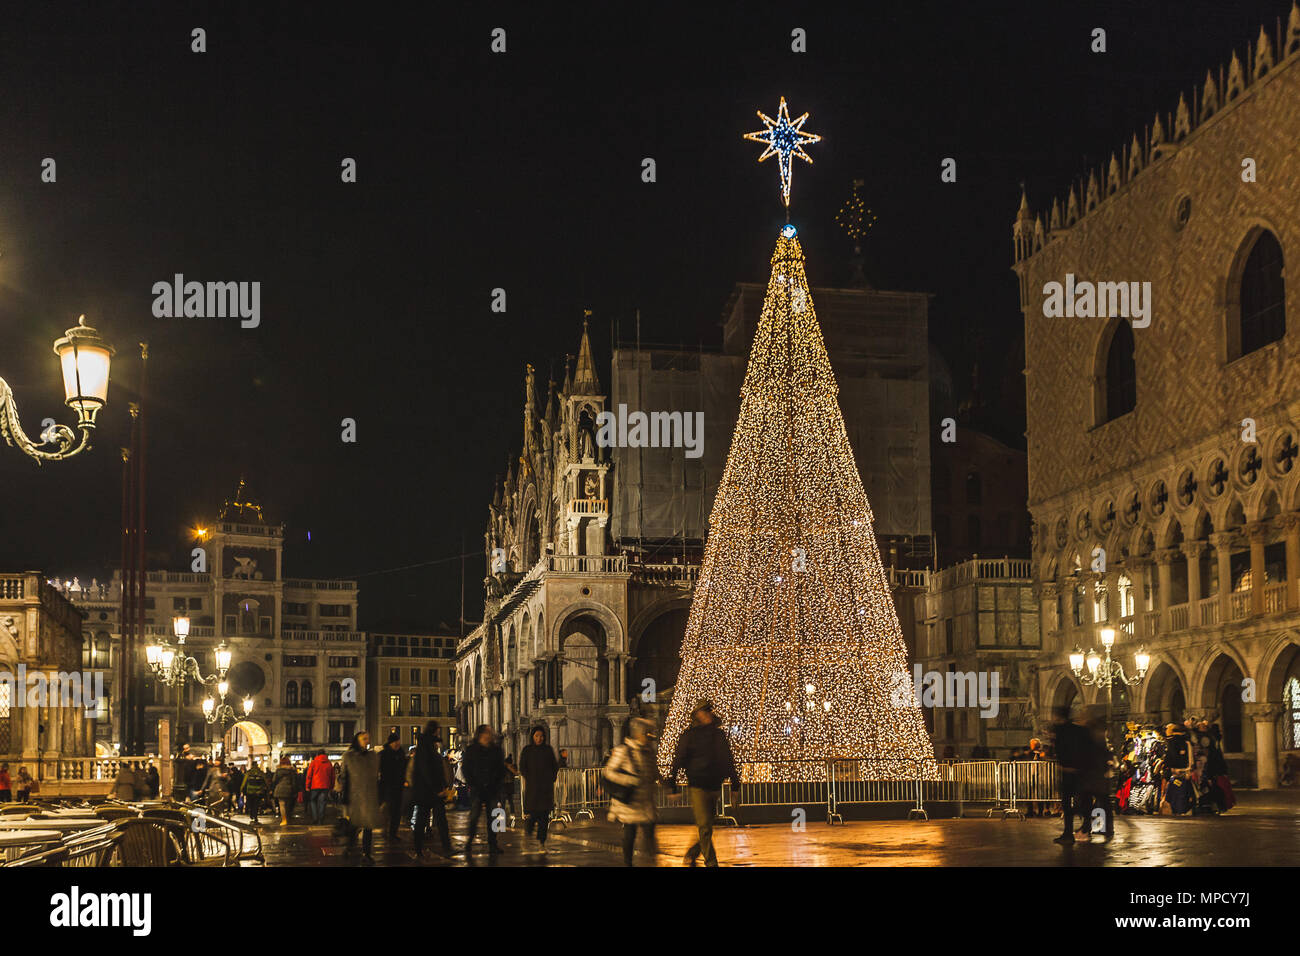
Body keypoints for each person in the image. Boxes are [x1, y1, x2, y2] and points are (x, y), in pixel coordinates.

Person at [668, 700, 740, 867]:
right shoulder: (689, 736)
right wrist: (672, 785)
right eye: (704, 711)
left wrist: (735, 785)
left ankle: (693, 852)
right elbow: (678, 760)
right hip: (698, 786)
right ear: (697, 715)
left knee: (708, 825)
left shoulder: (719, 735)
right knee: (704, 826)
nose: (707, 713)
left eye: (708, 710)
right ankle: (711, 862)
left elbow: (728, 760)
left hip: (714, 785)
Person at [605, 717, 659, 866]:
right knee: (630, 833)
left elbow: (654, 772)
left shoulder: (649, 752)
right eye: (647, 733)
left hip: (646, 802)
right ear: (638, 734)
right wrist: (629, 780)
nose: (650, 737)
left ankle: (652, 861)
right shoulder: (623, 751)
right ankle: (628, 862)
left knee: (650, 833)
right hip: (630, 802)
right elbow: (609, 772)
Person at [459, 724, 506, 857]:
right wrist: (472, 783)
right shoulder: (472, 750)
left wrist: (497, 782)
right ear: (480, 735)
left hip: (492, 789)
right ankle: (469, 841)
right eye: (486, 733)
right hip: (477, 789)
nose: (488, 736)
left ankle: (493, 843)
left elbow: (501, 769)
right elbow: (466, 768)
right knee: (474, 816)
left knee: (493, 818)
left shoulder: (496, 750)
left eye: (489, 733)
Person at [408, 720, 453, 858]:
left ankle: (442, 847)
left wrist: (443, 785)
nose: (439, 732)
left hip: (429, 790)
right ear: (434, 731)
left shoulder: (427, 746)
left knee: (436, 819)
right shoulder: (426, 748)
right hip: (428, 791)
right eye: (438, 730)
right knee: (427, 820)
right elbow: (426, 770)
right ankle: (420, 848)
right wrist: (437, 787)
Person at [337, 731, 382, 862]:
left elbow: (376, 775)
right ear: (357, 740)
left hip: (369, 796)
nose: (367, 741)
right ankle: (349, 847)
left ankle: (366, 853)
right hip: (354, 796)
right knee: (353, 825)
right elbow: (343, 776)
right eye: (364, 739)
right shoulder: (348, 756)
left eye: (368, 738)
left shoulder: (372, 756)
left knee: (368, 827)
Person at [1051, 706, 1090, 844]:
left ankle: (1069, 833)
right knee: (1082, 800)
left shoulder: (1060, 730)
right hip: (1080, 771)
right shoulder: (1080, 730)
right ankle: (1086, 825)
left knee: (1067, 804)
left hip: (1068, 771)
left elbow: (1059, 750)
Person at [518, 725, 558, 852]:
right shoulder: (527, 750)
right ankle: (528, 832)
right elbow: (522, 766)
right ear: (532, 737)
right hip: (533, 789)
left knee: (544, 818)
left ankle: (542, 842)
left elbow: (554, 766)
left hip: (545, 790)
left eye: (541, 736)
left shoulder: (548, 750)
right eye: (537, 736)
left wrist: (551, 778)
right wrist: (529, 777)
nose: (539, 739)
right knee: (533, 815)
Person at [379, 732, 408, 842]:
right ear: (390, 743)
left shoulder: (401, 753)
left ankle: (393, 833)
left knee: (397, 811)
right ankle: (385, 830)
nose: (397, 743)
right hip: (387, 787)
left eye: (398, 741)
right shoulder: (384, 754)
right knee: (387, 810)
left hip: (399, 786)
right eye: (395, 742)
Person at [305, 750, 335, 825]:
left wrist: (307, 786)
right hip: (325, 786)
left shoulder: (314, 762)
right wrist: (331, 786)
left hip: (315, 785)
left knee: (313, 800)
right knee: (322, 802)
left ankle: (315, 817)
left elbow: (309, 775)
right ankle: (320, 820)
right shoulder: (329, 763)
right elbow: (332, 776)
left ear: (317, 754)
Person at [272, 756, 298, 825]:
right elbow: (294, 781)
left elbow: (274, 780)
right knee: (288, 805)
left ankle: (284, 820)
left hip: (280, 789)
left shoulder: (278, 771)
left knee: (282, 805)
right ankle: (289, 817)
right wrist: (295, 790)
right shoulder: (292, 771)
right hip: (289, 789)